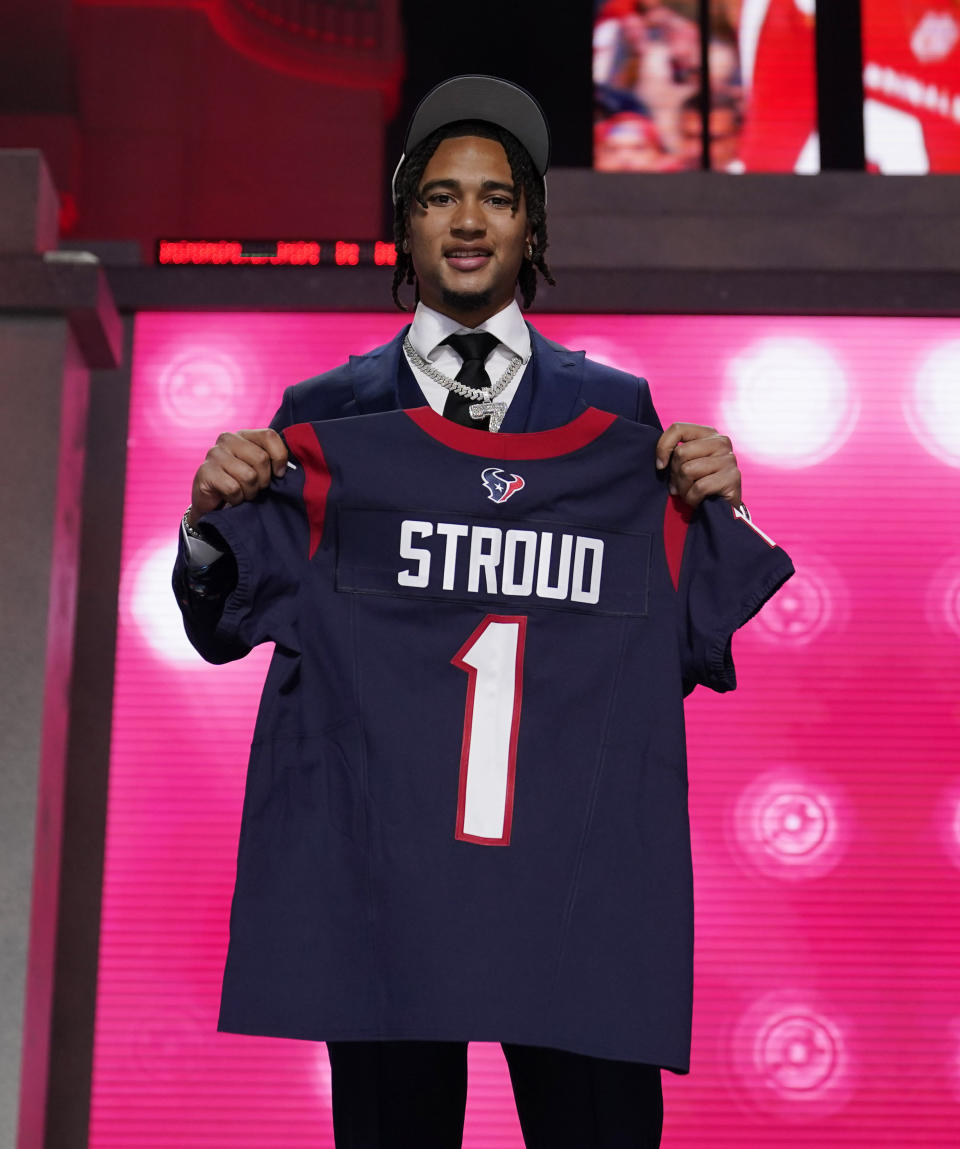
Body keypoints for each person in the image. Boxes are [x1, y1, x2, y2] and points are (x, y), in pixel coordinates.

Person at [173, 76, 757, 1148]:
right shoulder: (323, 417)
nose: (470, 220)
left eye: (496, 196)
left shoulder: (616, 413)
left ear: (531, 220)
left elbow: (658, 645)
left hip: (568, 883)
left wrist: (710, 502)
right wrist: (212, 518)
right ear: (405, 221)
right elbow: (223, 627)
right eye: (440, 196)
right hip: (384, 879)